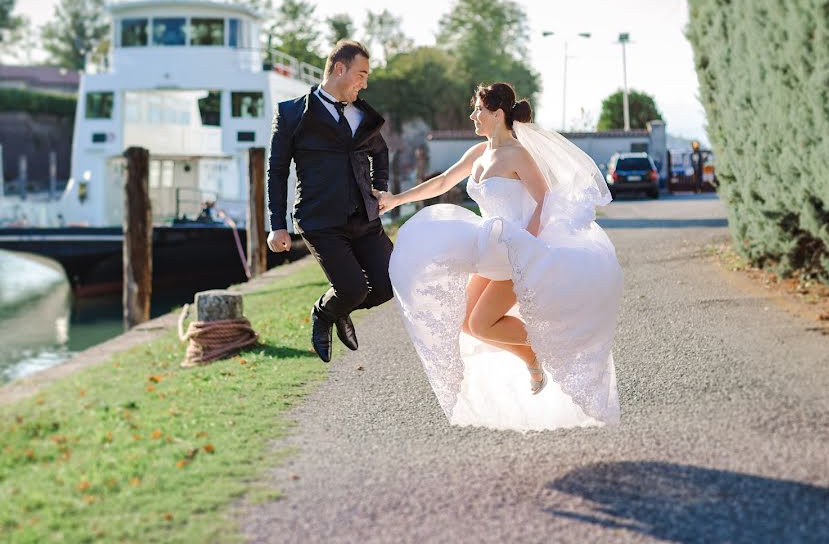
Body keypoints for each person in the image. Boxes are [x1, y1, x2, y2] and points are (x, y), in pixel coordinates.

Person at [374, 83, 623, 432]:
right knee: (464, 320)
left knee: (481, 323)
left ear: (498, 113)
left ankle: (547, 347)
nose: (473, 116)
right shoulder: (479, 152)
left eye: (478, 110)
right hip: (487, 247)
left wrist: (527, 245)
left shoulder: (519, 155)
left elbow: (544, 200)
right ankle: (531, 356)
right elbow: (443, 181)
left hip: (514, 251)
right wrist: (396, 200)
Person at [266, 40, 393, 363]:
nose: (364, 83)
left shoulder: (361, 113)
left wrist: (379, 188)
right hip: (321, 222)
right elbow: (277, 172)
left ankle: (335, 310)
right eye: (361, 74)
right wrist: (276, 226)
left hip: (365, 218)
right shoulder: (292, 113)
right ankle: (324, 315)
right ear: (340, 69)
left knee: (388, 285)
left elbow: (380, 152)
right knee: (353, 289)